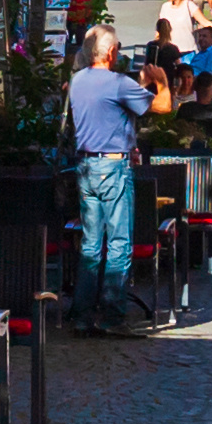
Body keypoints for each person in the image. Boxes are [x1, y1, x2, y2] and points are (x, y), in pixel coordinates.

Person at [65, 23, 148, 332]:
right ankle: (113, 314)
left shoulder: (77, 81)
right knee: (118, 243)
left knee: (89, 244)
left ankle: (83, 315)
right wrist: (160, 82)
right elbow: (158, 105)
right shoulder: (117, 83)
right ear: (112, 53)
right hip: (113, 167)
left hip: (86, 166)